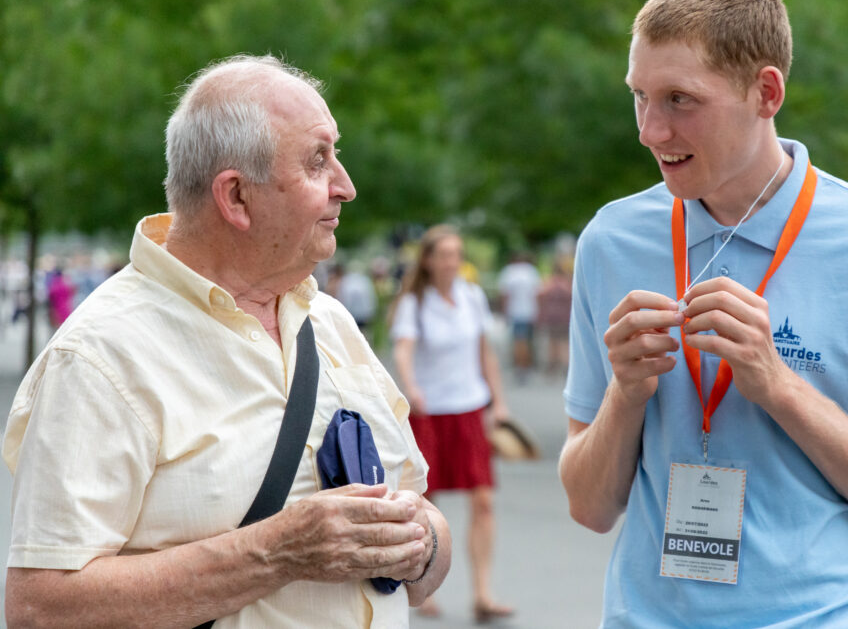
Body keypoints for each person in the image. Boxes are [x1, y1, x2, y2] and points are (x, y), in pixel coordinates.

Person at [558, 0, 848, 627]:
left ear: (765, 92)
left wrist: (778, 384)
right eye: (640, 96)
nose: (649, 131)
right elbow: (589, 505)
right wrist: (625, 394)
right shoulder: (611, 240)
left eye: (680, 101)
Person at [3, 55, 451, 628]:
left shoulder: (331, 321)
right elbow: (41, 610)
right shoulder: (99, 356)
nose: (346, 186)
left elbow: (424, 521)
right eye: (319, 162)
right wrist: (277, 552)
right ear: (236, 197)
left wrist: (422, 546)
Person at [390, 225, 514, 622]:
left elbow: (485, 353)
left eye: (457, 253)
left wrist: (499, 402)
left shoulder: (472, 295)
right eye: (444, 254)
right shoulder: (415, 301)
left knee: (484, 501)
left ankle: (483, 594)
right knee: (425, 505)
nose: (452, 261)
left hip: (469, 409)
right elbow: (404, 349)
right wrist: (410, 386)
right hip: (430, 412)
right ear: (428, 260)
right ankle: (421, 590)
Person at [497, 252, 542, 382]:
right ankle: (526, 366)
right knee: (527, 341)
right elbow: (538, 293)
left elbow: (505, 295)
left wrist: (504, 311)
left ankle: (520, 367)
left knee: (519, 341)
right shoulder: (531, 271)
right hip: (530, 311)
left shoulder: (509, 272)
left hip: (516, 312)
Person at [536, 261, 573, 377]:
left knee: (553, 342)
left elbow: (540, 295)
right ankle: (565, 365)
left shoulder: (549, 283)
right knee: (564, 342)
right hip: (564, 317)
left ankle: (553, 365)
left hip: (552, 317)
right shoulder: (567, 283)